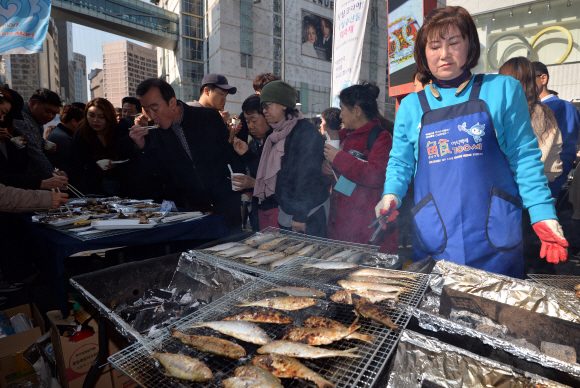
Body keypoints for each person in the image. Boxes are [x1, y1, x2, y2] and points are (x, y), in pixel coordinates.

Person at [375, 6, 568, 278]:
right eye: (434, 46)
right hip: (435, 233)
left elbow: (524, 157)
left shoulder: (501, 90)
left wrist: (542, 212)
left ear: (470, 46)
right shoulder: (410, 106)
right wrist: (391, 193)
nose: (444, 54)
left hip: (494, 234)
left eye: (454, 43)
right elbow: (401, 162)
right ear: (423, 53)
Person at [129, 78, 245, 233]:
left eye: (154, 108)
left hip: (225, 205)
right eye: (146, 110)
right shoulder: (155, 134)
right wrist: (141, 147)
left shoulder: (207, 117)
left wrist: (235, 194)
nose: (151, 116)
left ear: (171, 103)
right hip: (191, 213)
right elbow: (155, 177)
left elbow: (230, 156)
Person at [324, 83, 398, 253]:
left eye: (343, 109)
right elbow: (338, 177)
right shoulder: (342, 136)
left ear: (357, 111)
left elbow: (377, 175)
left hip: (367, 228)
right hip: (339, 222)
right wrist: (328, 168)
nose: (340, 115)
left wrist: (339, 158)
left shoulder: (380, 137)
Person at [255, 81, 329, 236]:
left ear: (283, 104)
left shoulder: (305, 131)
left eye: (267, 105)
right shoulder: (276, 133)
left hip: (308, 214)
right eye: (262, 107)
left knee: (308, 258)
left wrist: (300, 215)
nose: (264, 111)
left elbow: (308, 175)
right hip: (288, 210)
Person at [499, 57, 563, 184]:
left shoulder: (498, 111)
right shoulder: (545, 114)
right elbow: (554, 167)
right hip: (535, 188)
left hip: (503, 190)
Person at [533, 61, 580, 200]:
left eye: (528, 79)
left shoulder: (563, 108)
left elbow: (565, 152)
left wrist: (553, 189)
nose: (523, 85)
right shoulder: (525, 109)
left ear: (543, 79)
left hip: (546, 188)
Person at [232, 95, 276, 231]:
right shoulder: (261, 141)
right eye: (247, 121)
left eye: (254, 120)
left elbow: (277, 181)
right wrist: (246, 153)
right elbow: (261, 170)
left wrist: (252, 183)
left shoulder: (277, 141)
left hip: (275, 209)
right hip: (262, 207)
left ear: (267, 116)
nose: (250, 127)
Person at [67, 98, 121, 196]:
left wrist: (117, 164)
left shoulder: (119, 132)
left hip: (120, 184)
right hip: (92, 187)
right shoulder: (81, 134)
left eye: (101, 117)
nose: (95, 120)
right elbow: (73, 162)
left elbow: (131, 159)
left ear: (109, 117)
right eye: (91, 115)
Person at [13, 88, 61, 179]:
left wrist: (42, 144)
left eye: (54, 113)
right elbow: (35, 154)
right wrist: (53, 176)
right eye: (47, 111)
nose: (50, 116)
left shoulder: (35, 120)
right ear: (32, 104)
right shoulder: (23, 120)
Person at [47, 104, 84, 172]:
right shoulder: (64, 138)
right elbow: (71, 164)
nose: (82, 127)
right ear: (73, 121)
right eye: (81, 123)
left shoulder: (57, 132)